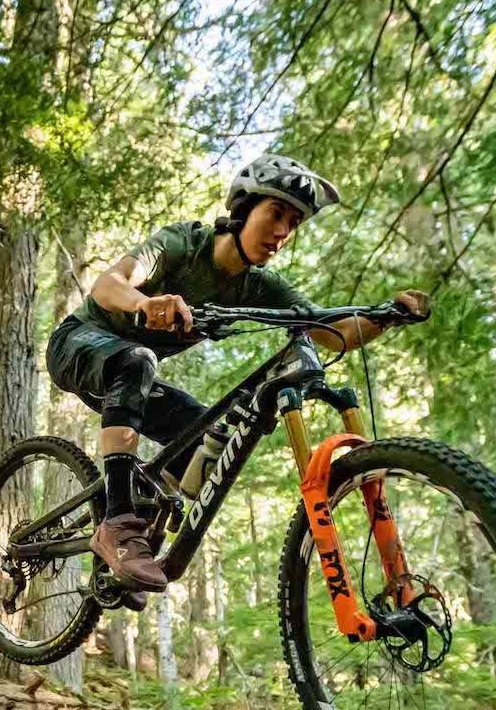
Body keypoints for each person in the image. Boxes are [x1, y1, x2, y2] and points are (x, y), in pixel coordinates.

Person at [47, 153, 433, 596]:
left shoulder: (259, 286)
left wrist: (389, 315)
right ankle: (117, 523)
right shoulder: (183, 243)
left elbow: (333, 332)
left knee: (203, 437)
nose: (283, 232)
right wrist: (144, 302)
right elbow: (108, 284)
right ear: (244, 208)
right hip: (77, 344)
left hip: (132, 381)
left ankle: (130, 548)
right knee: (137, 359)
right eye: (276, 213)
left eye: (293, 223)